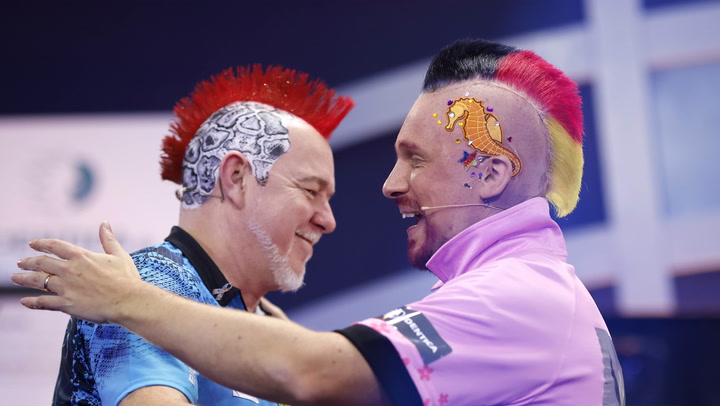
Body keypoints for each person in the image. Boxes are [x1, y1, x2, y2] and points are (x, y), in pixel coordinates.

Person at [14, 39, 625, 406]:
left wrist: (128, 301)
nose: (388, 184)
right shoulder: (158, 286)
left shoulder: (512, 296)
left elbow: (315, 370)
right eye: (311, 190)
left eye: (414, 158)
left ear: (490, 173)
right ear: (235, 178)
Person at [28, 64, 355, 406]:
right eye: (310, 190)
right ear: (237, 178)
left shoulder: (265, 318)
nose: (328, 220)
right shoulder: (137, 289)